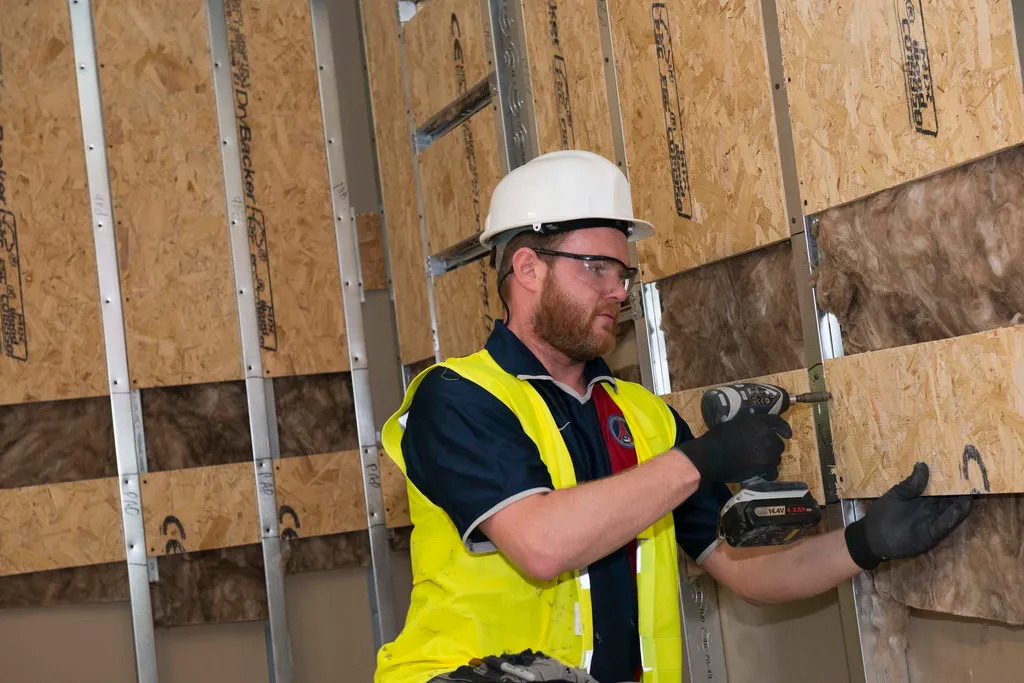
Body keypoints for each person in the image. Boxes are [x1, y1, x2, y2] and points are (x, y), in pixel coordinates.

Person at [375, 150, 972, 683]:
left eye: (623, 274)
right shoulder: (458, 399)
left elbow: (746, 573)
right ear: (528, 269)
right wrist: (697, 461)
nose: (618, 291)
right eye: (595, 268)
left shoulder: (644, 419)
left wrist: (867, 542)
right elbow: (540, 544)